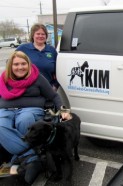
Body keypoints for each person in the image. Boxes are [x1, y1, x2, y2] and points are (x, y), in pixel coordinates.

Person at [0, 51, 71, 184]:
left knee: (25, 121)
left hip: (30, 109)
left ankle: (19, 159)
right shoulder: (3, 79)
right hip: (5, 110)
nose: (20, 67)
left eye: (23, 64)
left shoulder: (37, 78)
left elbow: (54, 96)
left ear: (28, 64)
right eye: (16, 64)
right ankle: (30, 156)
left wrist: (63, 110)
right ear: (10, 66)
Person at [16, 23, 59, 91]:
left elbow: (58, 71)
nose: (40, 36)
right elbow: (12, 67)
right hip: (28, 90)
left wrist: (55, 85)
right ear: (33, 35)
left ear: (46, 36)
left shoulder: (52, 50)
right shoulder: (23, 49)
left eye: (43, 34)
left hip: (48, 89)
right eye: (38, 34)